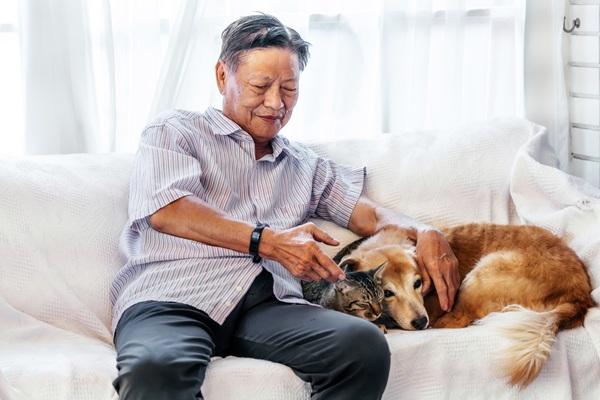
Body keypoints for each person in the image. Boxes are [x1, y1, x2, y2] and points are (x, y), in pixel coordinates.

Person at [110, 13, 460, 400]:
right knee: (153, 371)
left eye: (289, 89)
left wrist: (425, 231)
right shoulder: (174, 131)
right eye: (260, 86)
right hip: (173, 299)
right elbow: (169, 210)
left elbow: (371, 216)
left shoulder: (304, 165)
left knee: (362, 346)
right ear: (223, 76)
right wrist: (269, 242)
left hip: (269, 306)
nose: (276, 103)